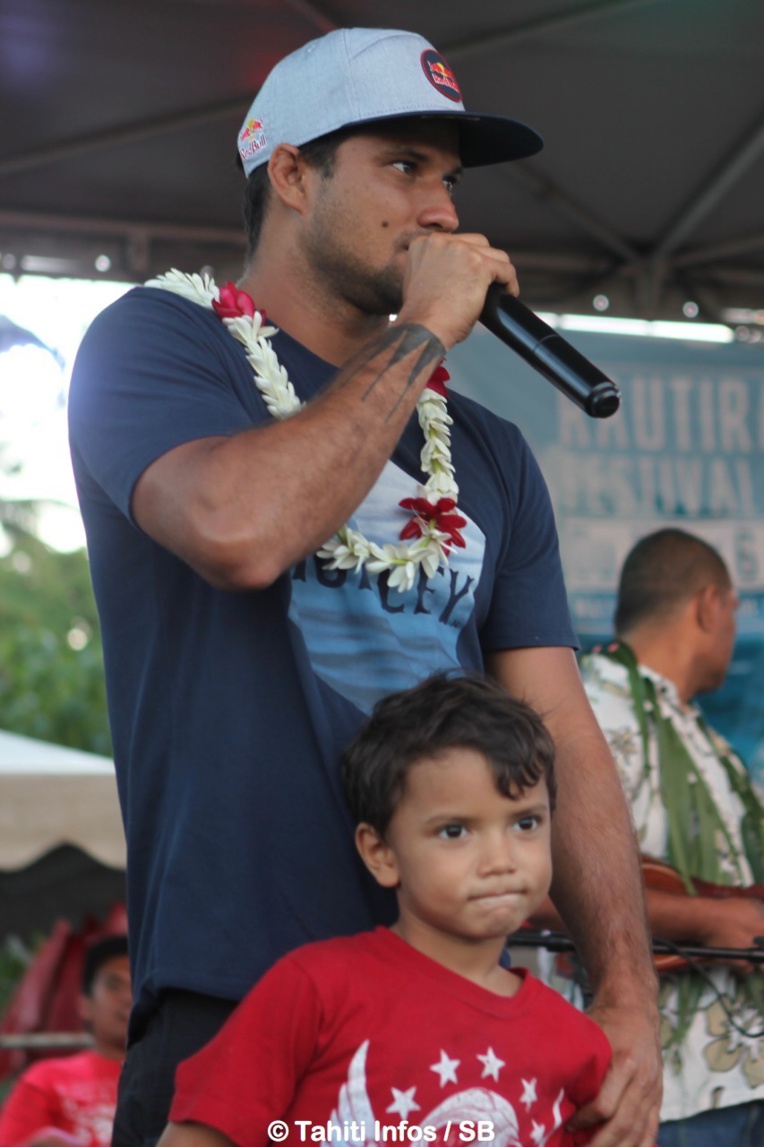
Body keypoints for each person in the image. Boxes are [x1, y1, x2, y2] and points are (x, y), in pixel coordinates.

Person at [67, 26, 660, 1147]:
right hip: (237, 994)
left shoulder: (484, 452)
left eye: (447, 176)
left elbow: (559, 733)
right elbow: (239, 530)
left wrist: (624, 1001)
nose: (440, 210)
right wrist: (426, 331)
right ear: (289, 173)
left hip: (454, 1008)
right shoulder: (155, 345)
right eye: (401, 166)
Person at [158, 674, 612, 1147]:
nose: (501, 861)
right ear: (381, 853)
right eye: (455, 831)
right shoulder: (315, 991)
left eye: (525, 823)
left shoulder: (577, 1043)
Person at [555, 528, 764, 1145]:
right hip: (662, 1090)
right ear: (707, 605)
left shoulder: (695, 729)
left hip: (735, 1078)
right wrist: (705, 920)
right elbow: (538, 880)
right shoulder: (594, 710)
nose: (731, 625)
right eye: (733, 609)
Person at [0, 936, 131, 1147]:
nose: (128, 997)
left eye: (138, 987)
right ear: (84, 1005)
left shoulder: (174, 1079)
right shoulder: (45, 1079)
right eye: (114, 986)